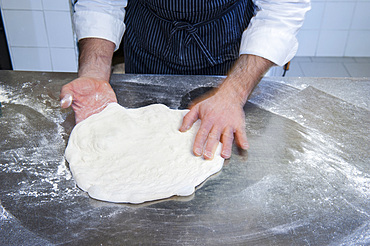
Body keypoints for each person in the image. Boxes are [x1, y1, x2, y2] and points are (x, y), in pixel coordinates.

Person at [60, 0, 310, 160]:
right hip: (150, 38)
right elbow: (100, 2)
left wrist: (234, 93)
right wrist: (94, 72)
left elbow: (281, 10)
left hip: (227, 48)